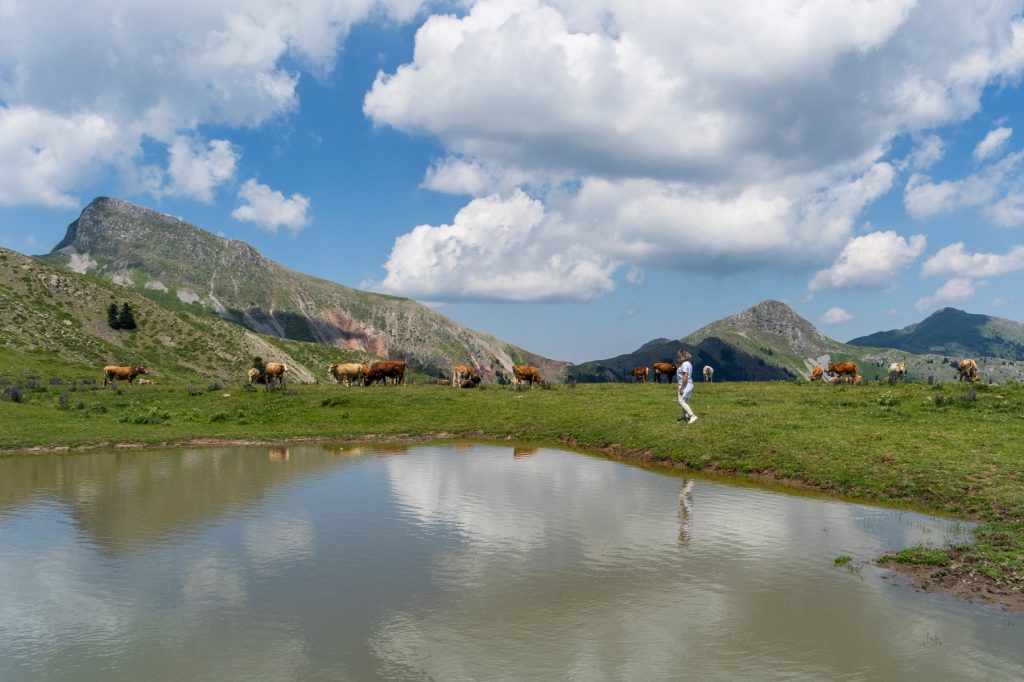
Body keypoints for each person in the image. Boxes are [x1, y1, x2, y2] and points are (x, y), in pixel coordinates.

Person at [675, 350, 698, 425]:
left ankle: (692, 416)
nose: (678, 358)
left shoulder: (685, 364)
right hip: (688, 384)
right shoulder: (688, 363)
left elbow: (685, 376)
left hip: (685, 385)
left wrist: (682, 387)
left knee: (680, 401)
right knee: (684, 402)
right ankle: (685, 418)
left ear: (683, 356)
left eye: (679, 357)